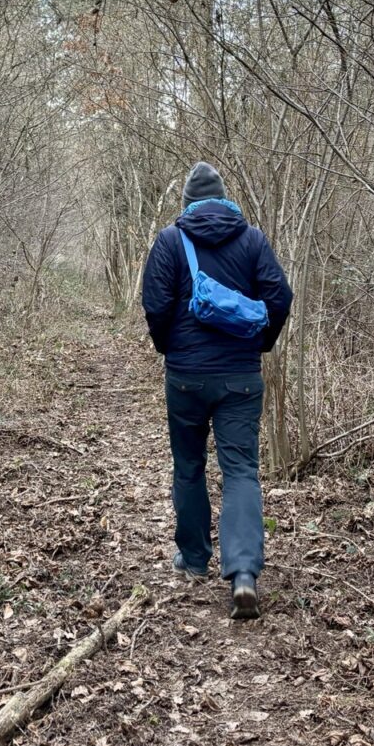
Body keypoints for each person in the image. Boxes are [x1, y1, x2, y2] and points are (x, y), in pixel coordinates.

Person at [141, 162, 293, 619]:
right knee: (242, 470)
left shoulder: (171, 241)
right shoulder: (252, 240)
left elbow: (154, 304)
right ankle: (244, 574)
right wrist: (259, 343)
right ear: (225, 199)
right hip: (240, 377)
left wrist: (171, 347)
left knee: (189, 465)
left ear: (187, 204)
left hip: (186, 375)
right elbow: (280, 297)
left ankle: (192, 560)